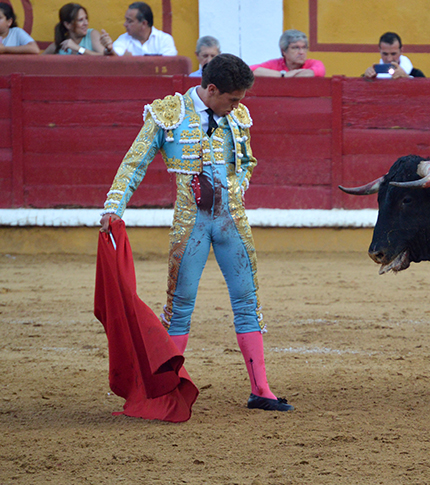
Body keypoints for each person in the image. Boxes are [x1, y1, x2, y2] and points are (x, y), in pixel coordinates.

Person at [99, 54, 293, 412]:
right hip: (192, 225)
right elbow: (134, 162)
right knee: (180, 307)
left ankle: (261, 390)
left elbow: (247, 161)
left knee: (248, 304)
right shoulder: (168, 113)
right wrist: (114, 207)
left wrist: (237, 187)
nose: (238, 106)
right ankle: (166, 390)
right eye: (233, 99)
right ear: (212, 89)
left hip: (232, 221)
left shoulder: (236, 115)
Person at [103, 2, 177, 56]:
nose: (125, 24)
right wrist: (110, 49)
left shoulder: (164, 39)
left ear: (144, 24)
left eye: (130, 21)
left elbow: (169, 66)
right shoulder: (124, 39)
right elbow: (115, 58)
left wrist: (131, 63)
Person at [250, 29, 325, 77]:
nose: (301, 52)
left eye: (304, 47)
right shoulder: (275, 64)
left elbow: (317, 72)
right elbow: (250, 70)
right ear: (284, 51)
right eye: (295, 48)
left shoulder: (313, 63)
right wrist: (283, 75)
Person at [43, 3, 108, 55]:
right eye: (80, 20)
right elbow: (38, 62)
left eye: (86, 18)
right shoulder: (58, 45)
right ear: (67, 25)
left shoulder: (92, 35)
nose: (86, 23)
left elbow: (104, 57)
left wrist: (79, 49)